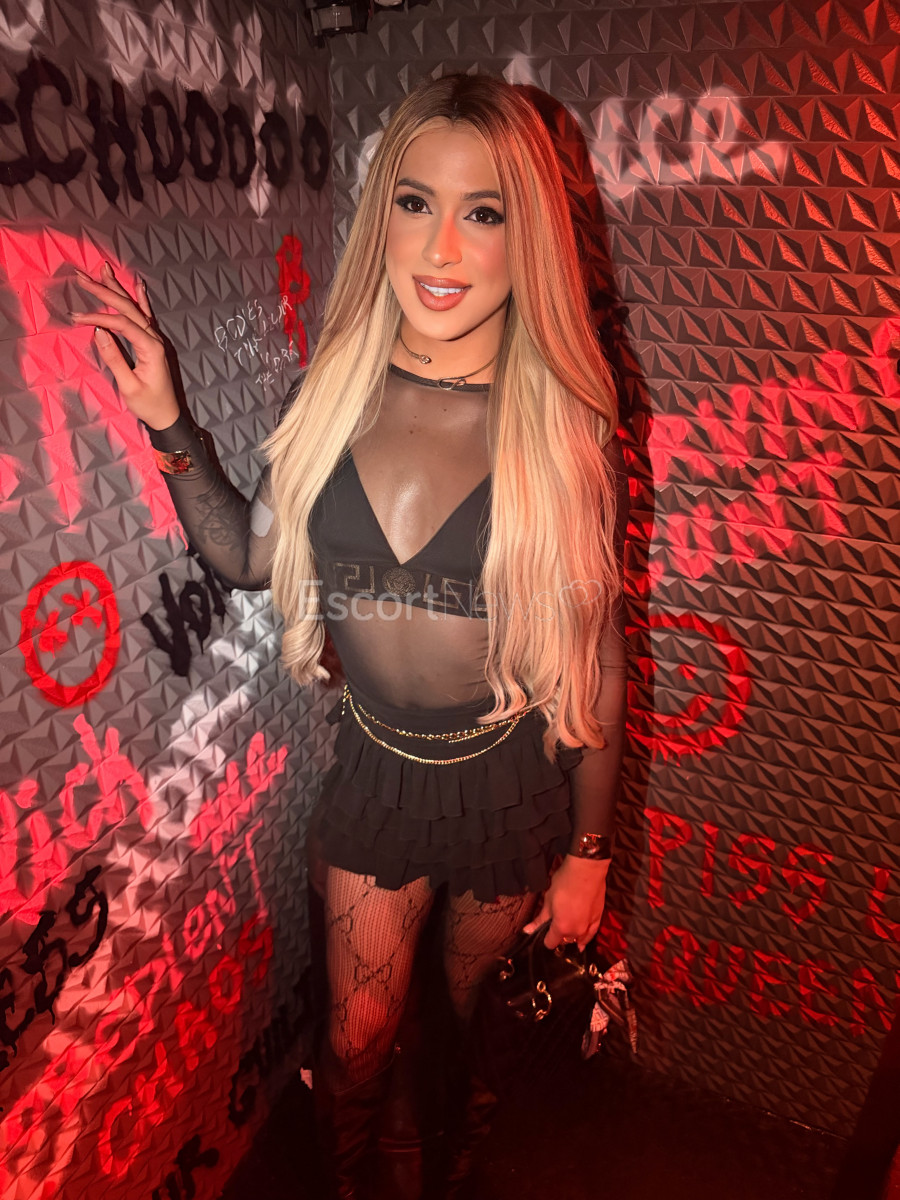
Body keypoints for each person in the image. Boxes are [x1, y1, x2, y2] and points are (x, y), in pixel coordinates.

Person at [72, 72, 628, 1200]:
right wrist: (169, 418)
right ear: (383, 218)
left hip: (508, 782)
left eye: (484, 211)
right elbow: (246, 559)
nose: (442, 246)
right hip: (377, 773)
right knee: (357, 1037)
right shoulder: (333, 393)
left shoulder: (564, 428)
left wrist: (589, 853)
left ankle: (453, 1160)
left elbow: (597, 659)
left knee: (471, 1025)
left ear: (528, 236)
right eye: (415, 202)